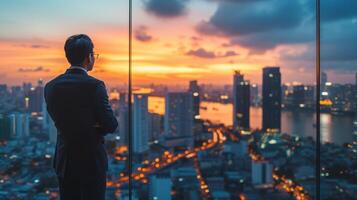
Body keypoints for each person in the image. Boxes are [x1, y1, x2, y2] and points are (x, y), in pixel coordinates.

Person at [44, 34, 118, 200]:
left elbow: (61, 121)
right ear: (89, 57)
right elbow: (111, 125)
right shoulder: (95, 86)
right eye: (94, 55)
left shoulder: (51, 87)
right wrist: (93, 126)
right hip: (91, 162)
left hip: (65, 161)